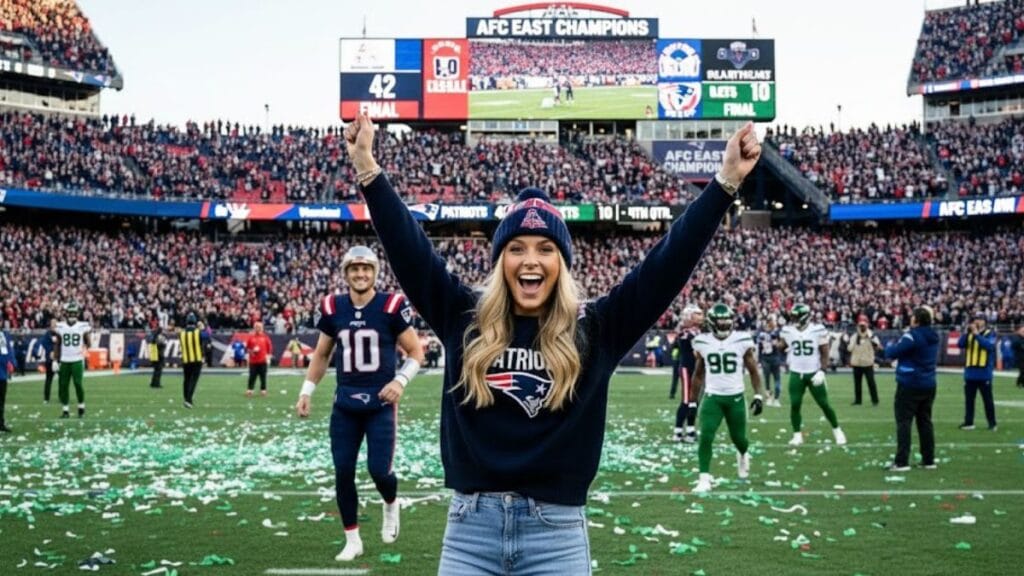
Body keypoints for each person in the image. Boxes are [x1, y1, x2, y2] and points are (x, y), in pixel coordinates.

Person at [343, 111, 761, 574]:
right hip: (469, 532)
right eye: (516, 248)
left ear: (562, 263)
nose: (531, 260)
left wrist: (724, 182)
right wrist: (366, 166)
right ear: (501, 260)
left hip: (557, 537)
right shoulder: (463, 316)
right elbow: (409, 250)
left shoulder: (597, 329)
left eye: (546, 249)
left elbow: (666, 265)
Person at [295, 245, 425, 562]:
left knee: (380, 471)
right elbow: (323, 354)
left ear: (375, 272)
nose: (360, 274)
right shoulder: (332, 307)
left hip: (380, 404)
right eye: (354, 269)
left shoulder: (391, 306)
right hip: (345, 406)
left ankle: (391, 502)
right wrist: (306, 390)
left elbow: (416, 353)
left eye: (366, 268)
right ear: (346, 274)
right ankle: (352, 539)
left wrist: (400, 381)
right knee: (343, 472)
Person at [690, 303, 764, 493]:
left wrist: (758, 395)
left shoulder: (742, 340)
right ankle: (704, 478)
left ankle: (743, 453)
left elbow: (753, 370)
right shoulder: (702, 341)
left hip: (736, 397)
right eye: (720, 324)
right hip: (712, 397)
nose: (724, 327)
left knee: (739, 439)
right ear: (712, 323)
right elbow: (698, 374)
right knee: (705, 436)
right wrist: (692, 400)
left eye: (726, 323)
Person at [779, 303, 846, 446]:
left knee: (824, 404)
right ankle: (797, 435)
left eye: (796, 316)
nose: (793, 319)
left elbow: (825, 352)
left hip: (814, 372)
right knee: (795, 404)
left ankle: (837, 430)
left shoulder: (817, 330)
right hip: (796, 373)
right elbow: (782, 345)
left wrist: (822, 371)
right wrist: (778, 345)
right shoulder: (788, 331)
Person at [884, 306, 939, 471]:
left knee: (904, 422)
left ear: (916, 320)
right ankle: (929, 460)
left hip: (910, 383)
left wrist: (889, 346)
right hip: (929, 383)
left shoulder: (912, 336)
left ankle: (902, 461)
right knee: (925, 422)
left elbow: (892, 353)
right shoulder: (934, 335)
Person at [958, 313, 997, 431]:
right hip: (970, 372)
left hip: (984, 372)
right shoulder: (969, 334)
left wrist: (976, 334)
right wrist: (966, 332)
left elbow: (989, 346)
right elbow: (960, 344)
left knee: (987, 400)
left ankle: (992, 423)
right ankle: (969, 422)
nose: (977, 322)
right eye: (975, 319)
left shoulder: (990, 333)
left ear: (985, 322)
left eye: (980, 319)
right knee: (969, 400)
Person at [671, 304, 703, 443]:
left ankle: (690, 430)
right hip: (687, 369)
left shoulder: (696, 332)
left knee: (694, 402)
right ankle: (678, 431)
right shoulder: (687, 333)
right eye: (696, 314)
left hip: (696, 370)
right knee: (686, 401)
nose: (700, 316)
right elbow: (697, 353)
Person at [55, 302, 91, 419]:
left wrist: (85, 348)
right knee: (63, 385)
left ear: (77, 314)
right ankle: (65, 410)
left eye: (74, 313)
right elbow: (58, 344)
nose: (72, 315)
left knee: (78, 384)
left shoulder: (82, 326)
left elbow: (88, 342)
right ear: (66, 313)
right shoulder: (60, 326)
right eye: (70, 312)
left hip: (77, 359)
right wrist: (55, 360)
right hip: (64, 360)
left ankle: (81, 406)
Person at [847, 317, 881, 406]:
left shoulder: (872, 335)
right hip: (857, 363)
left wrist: (870, 337)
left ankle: (875, 400)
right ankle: (858, 400)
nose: (861, 328)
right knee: (857, 384)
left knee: (871, 382)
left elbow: (878, 346)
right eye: (860, 326)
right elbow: (849, 348)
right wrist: (854, 340)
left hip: (868, 363)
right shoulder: (854, 336)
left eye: (863, 326)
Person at [755, 317, 783, 407]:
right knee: (777, 379)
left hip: (765, 358)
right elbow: (779, 345)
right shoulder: (776, 333)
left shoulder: (761, 334)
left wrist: (759, 360)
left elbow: (759, 347)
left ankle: (769, 399)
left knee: (767, 381)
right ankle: (776, 399)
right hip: (774, 358)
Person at [179, 313, 204, 408]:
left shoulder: (182, 333)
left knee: (186, 380)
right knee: (194, 380)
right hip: (197, 359)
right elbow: (206, 338)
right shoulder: (198, 332)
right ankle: (189, 399)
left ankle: (186, 398)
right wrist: (203, 327)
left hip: (186, 359)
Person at [246, 321, 273, 397]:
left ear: (262, 328)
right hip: (253, 361)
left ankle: (263, 390)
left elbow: (270, 348)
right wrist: (252, 351)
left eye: (259, 327)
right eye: (256, 327)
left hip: (263, 360)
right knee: (252, 376)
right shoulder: (251, 337)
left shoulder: (265, 337)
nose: (258, 329)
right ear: (254, 328)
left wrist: (268, 357)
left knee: (263, 376)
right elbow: (247, 348)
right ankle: (250, 390)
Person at [0, 327, 14, 432]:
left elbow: (8, 350)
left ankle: (1, 422)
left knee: (1, 400)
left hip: (2, 372)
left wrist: (11, 362)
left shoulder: (4, 334)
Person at [41, 319, 58, 403]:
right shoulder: (47, 334)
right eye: (53, 323)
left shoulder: (59, 333)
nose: (54, 325)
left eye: (56, 323)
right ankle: (46, 398)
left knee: (62, 380)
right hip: (50, 360)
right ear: (50, 324)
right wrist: (50, 351)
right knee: (48, 379)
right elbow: (43, 343)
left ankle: (62, 397)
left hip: (58, 359)